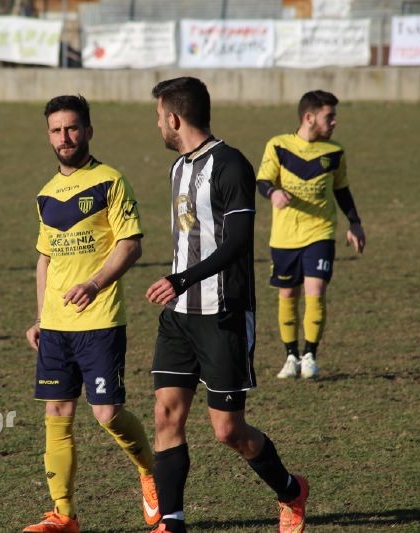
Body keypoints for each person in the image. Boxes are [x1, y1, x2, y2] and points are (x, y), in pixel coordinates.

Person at [145, 77, 308, 533]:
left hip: (223, 314)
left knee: (228, 431)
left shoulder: (231, 164)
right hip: (179, 317)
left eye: (158, 117)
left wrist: (181, 278)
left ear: (174, 118)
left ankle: (291, 490)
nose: (157, 125)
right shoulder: (178, 168)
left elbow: (237, 242)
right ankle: (171, 522)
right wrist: (178, 284)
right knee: (166, 414)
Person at [22, 95, 160, 533]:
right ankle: (63, 514)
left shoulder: (109, 181)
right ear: (49, 136)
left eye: (72, 128)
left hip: (100, 321)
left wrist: (95, 284)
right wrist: (41, 317)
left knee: (107, 414)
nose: (64, 137)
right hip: (56, 327)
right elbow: (45, 259)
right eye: (56, 130)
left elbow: (130, 245)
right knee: (57, 414)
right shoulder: (45, 194)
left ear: (88, 131)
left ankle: (151, 471)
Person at [256, 90, 365, 379]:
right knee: (288, 294)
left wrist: (354, 223)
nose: (334, 122)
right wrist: (273, 192)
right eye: (329, 117)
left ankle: (310, 355)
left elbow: (342, 189)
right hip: (284, 236)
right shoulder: (279, 145)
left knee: (315, 291)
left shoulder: (334, 152)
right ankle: (290, 356)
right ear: (309, 117)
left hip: (321, 232)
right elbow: (262, 180)